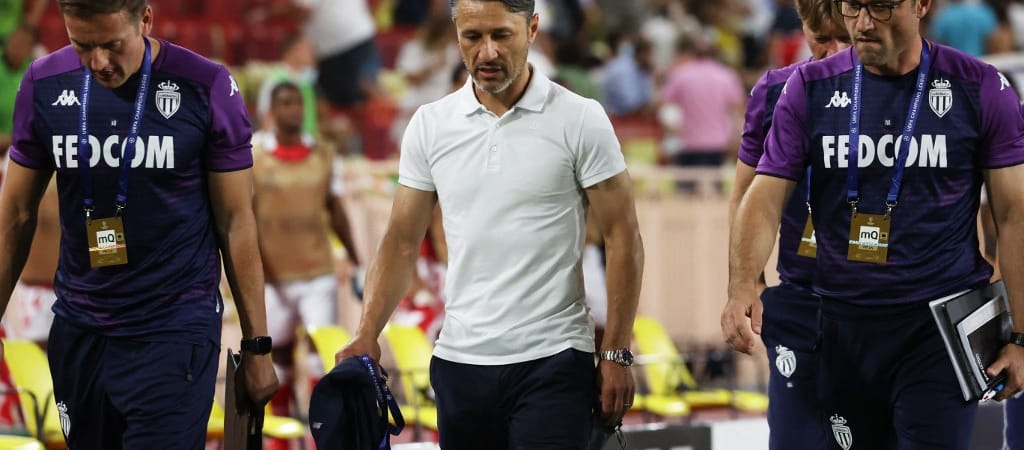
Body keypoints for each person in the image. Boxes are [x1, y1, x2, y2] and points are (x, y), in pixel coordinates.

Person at [335, 0, 644, 448]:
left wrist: (616, 351)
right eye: (472, 37)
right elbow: (401, 241)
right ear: (455, 33)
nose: (487, 52)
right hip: (459, 363)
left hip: (554, 360)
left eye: (501, 35)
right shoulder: (429, 125)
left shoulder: (580, 118)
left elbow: (623, 237)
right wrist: (367, 333)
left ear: (532, 29)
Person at [726, 0, 1024, 448]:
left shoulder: (980, 87)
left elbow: (1015, 215)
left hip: (936, 334)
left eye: (881, 7)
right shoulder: (806, 87)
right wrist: (742, 284)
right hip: (837, 326)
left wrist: (1021, 335)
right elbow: (763, 195)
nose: (863, 22)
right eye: (853, 6)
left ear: (921, 5)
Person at [0, 1, 278, 448]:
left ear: (145, 19)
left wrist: (257, 345)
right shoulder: (44, 83)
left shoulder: (205, 85)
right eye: (81, 45)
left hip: (173, 330)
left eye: (112, 45)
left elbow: (236, 222)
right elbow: (15, 213)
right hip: (81, 329)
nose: (98, 62)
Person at [721, 0, 849, 448]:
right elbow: (744, 195)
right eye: (821, 39)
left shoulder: (898, 89)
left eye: (845, 38)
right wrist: (749, 283)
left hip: (881, 303)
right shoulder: (776, 91)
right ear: (802, 30)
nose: (834, 52)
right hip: (799, 296)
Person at [252, 81, 362, 418]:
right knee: (279, 354)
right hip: (273, 275)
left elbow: (337, 212)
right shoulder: (253, 155)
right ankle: (281, 431)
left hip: (317, 272)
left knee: (319, 353)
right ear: (271, 110)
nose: (294, 110)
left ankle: (320, 430)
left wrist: (356, 260)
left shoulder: (324, 155)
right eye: (286, 103)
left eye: (298, 103)